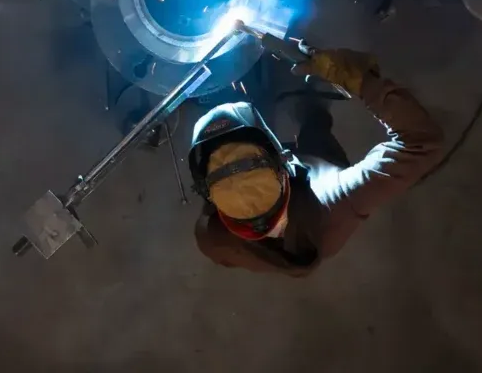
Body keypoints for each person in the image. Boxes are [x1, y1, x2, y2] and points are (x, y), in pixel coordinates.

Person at [188, 48, 444, 276]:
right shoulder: (336, 197)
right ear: (284, 162)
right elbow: (421, 143)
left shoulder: (212, 237)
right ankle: (312, 112)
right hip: (318, 164)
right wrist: (364, 83)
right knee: (315, 128)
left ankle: (294, 106)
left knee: (280, 110)